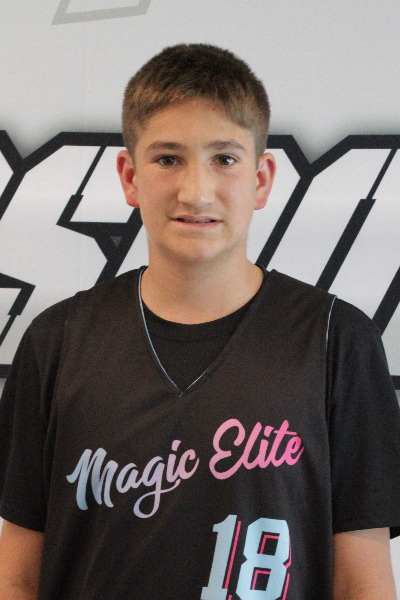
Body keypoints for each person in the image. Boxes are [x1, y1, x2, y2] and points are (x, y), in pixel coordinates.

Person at [0, 43, 400, 600]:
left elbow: (364, 581)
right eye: (168, 159)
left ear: (261, 179)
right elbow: (16, 576)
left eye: (225, 159)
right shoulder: (57, 342)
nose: (196, 191)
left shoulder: (338, 340)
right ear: (129, 176)